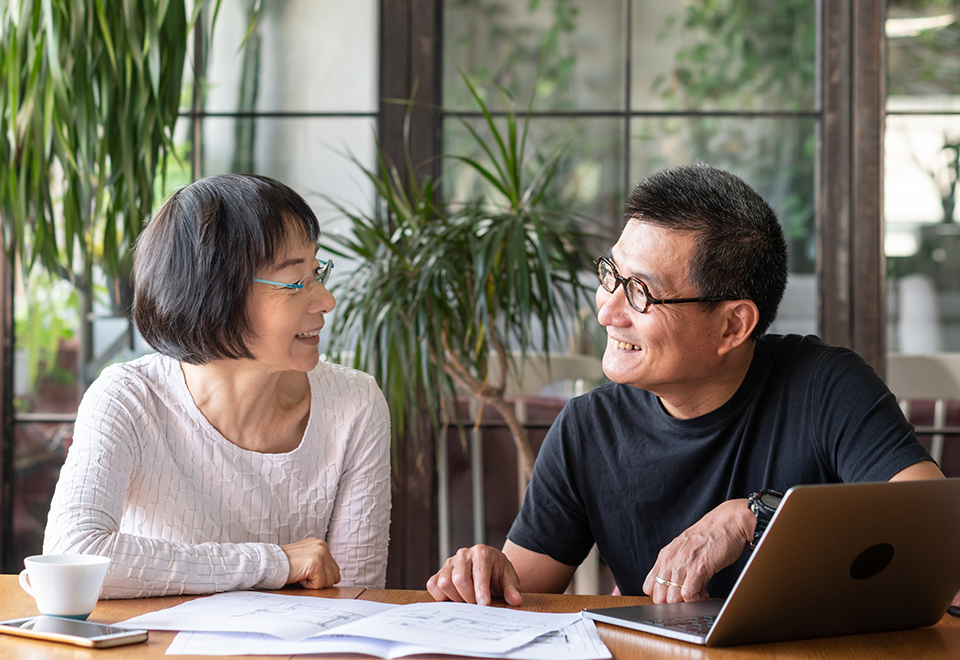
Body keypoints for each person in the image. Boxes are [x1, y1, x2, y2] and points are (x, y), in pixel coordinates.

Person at [426, 163, 949, 608]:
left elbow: (935, 535)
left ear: (732, 326)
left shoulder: (824, 385)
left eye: (640, 293)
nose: (607, 311)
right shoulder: (589, 427)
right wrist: (487, 573)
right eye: (611, 275)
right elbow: (522, 592)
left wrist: (754, 516)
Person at [43, 173, 391, 598]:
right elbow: (73, 555)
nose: (326, 301)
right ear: (215, 292)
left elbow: (358, 596)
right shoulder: (128, 399)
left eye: (318, 273)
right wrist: (274, 562)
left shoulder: (354, 404)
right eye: (297, 282)